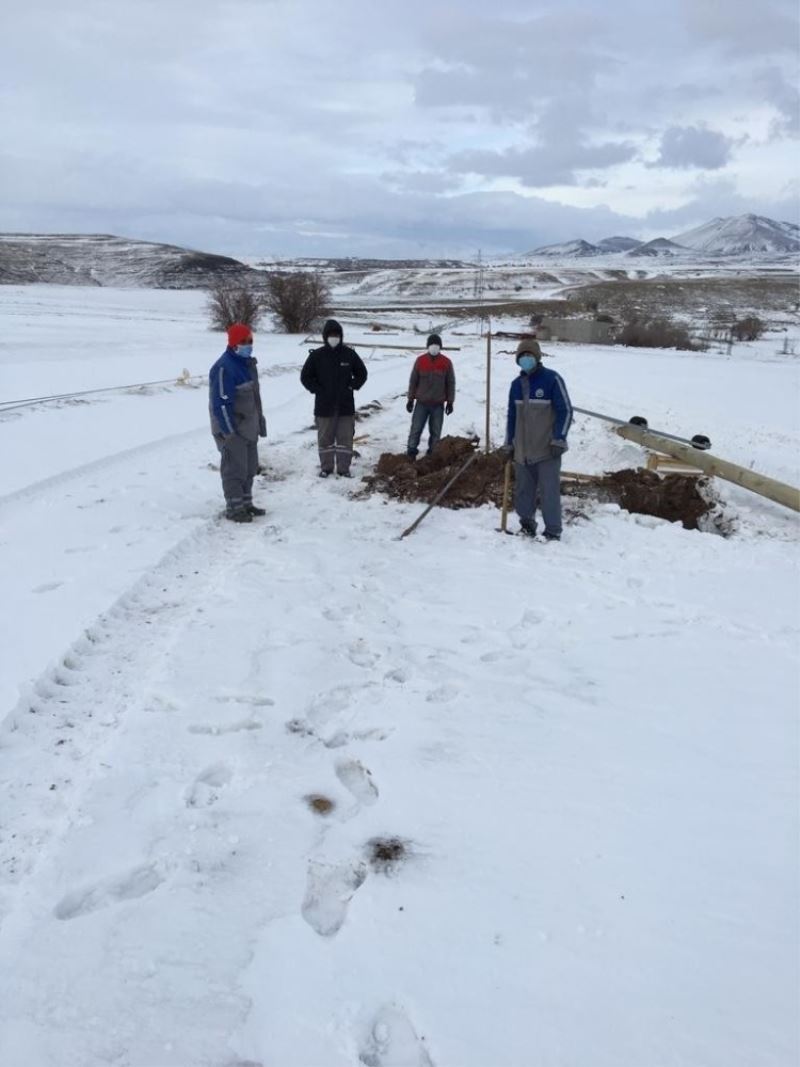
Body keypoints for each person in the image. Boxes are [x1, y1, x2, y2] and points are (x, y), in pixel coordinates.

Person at [504, 338, 572, 540]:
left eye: (529, 355)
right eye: (522, 356)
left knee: (549, 492)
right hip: (522, 451)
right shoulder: (515, 385)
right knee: (524, 491)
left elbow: (565, 410)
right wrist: (509, 444)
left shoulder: (552, 379)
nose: (526, 359)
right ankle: (527, 525)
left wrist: (559, 439)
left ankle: (552, 531)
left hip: (547, 450)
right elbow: (511, 417)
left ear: (537, 357)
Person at [208, 322, 267, 523]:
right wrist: (229, 431)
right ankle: (234, 508)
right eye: (243, 342)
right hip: (233, 430)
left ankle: (245, 503)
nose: (248, 345)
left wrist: (260, 423)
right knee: (234, 469)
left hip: (249, 427)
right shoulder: (224, 367)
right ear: (233, 343)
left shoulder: (248, 365)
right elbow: (221, 403)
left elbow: (255, 399)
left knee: (249, 468)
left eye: (250, 341)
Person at [301, 318, 368, 477]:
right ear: (325, 336)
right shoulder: (317, 356)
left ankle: (344, 469)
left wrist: (353, 385)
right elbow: (305, 377)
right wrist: (317, 389)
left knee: (345, 440)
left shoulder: (349, 354)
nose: (334, 337)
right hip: (324, 407)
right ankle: (326, 468)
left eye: (337, 334)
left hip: (345, 407)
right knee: (325, 440)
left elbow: (362, 373)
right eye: (331, 334)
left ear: (341, 336)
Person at [406, 333, 456, 458]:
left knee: (436, 432)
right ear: (428, 346)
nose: (434, 347)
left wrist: (450, 402)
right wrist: (410, 399)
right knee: (416, 429)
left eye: (437, 345)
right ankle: (411, 451)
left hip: (438, 405)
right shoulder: (420, 361)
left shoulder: (446, 363)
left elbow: (450, 383)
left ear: (440, 347)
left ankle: (433, 454)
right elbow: (413, 381)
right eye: (432, 345)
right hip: (421, 404)